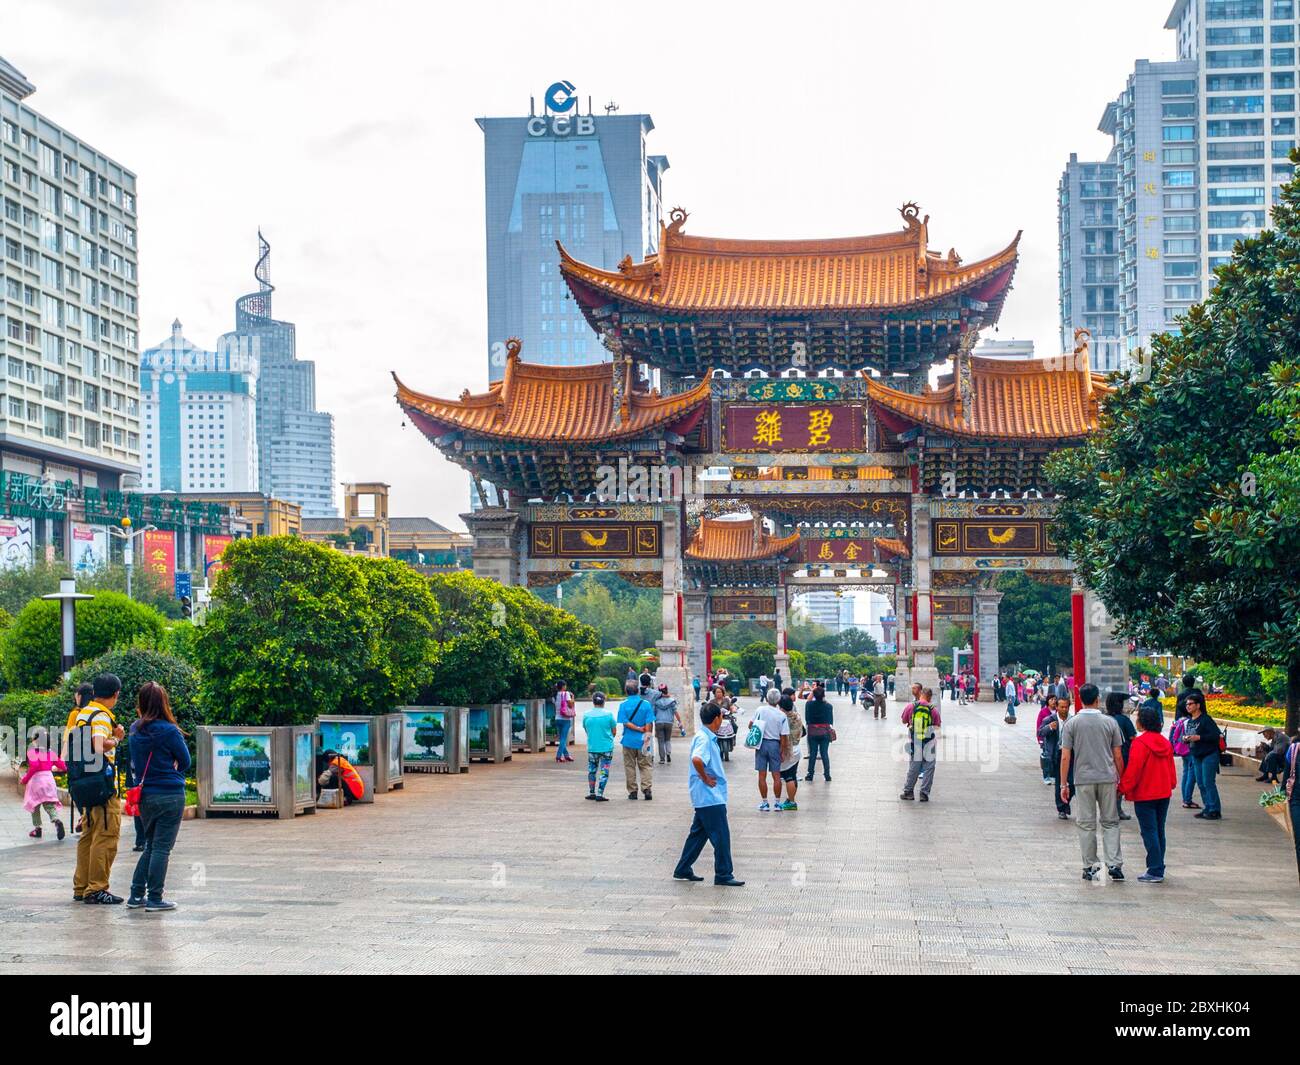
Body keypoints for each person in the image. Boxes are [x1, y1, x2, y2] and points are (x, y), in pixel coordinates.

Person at [126, 682, 190, 911]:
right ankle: (154, 898)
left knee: (151, 846)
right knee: (162, 847)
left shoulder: (134, 730)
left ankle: (135, 895)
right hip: (170, 794)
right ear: (163, 702)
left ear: (141, 703)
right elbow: (185, 761)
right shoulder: (169, 730)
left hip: (145, 795)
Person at [1059, 683, 1125, 881]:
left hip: (1083, 779)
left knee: (1086, 823)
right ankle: (1114, 863)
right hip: (1107, 777)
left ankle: (1090, 865)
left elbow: (1065, 757)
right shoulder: (1110, 722)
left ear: (1079, 699)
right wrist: (1120, 778)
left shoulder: (1072, 723)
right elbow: (1118, 755)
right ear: (1097, 699)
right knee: (1111, 822)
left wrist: (1064, 784)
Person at [672, 702, 743, 887]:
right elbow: (697, 759)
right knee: (721, 837)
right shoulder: (704, 739)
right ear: (717, 718)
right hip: (710, 796)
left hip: (705, 797)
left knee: (698, 835)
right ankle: (724, 874)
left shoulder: (705, 736)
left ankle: (683, 868)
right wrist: (705, 778)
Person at [70, 673, 125, 905]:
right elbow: (99, 744)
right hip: (102, 785)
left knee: (89, 836)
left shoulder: (83, 713)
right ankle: (97, 888)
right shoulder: (101, 717)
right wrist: (117, 738)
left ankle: (82, 886)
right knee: (106, 834)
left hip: (85, 782)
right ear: (115, 694)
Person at [1118, 703, 1177, 884]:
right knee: (1159, 830)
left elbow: (1134, 770)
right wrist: (1171, 784)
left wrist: (1122, 788)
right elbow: (1171, 769)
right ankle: (1158, 866)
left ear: (1142, 722)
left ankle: (1155, 869)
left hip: (1145, 794)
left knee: (1149, 831)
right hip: (1163, 793)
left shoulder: (1140, 743)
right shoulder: (1165, 742)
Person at [1181, 694, 1223, 820]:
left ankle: (1215, 809)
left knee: (1208, 782)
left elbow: (1216, 735)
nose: (1188, 706)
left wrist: (1199, 737)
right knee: (1200, 783)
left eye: (1190, 704)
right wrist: (1186, 739)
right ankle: (1208, 808)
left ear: (1198, 705)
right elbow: (1189, 735)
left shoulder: (1206, 719)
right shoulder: (1189, 721)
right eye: (1187, 704)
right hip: (1196, 755)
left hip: (1209, 754)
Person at [21, 726, 65, 840]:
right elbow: (62, 765)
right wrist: (61, 768)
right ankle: (56, 820)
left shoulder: (32, 752)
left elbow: (34, 767)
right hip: (49, 780)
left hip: (37, 781)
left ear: (36, 740)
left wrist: (25, 779)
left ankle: (38, 829)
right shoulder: (51, 752)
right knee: (49, 804)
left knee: (34, 805)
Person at [752, 688, 790, 812]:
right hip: (775, 744)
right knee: (776, 775)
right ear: (778, 700)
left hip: (761, 744)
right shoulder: (782, 715)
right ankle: (777, 803)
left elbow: (751, 725)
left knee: (761, 776)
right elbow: (784, 736)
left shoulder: (760, 710)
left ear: (767, 698)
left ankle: (765, 802)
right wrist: (782, 751)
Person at [900, 687, 940, 802]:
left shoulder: (911, 706)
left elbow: (903, 720)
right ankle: (924, 793)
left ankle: (908, 792)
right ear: (930, 697)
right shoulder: (933, 709)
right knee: (929, 767)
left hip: (916, 740)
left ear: (921, 694)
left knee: (914, 767)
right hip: (929, 741)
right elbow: (937, 725)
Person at [617, 680, 655, 800]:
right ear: (638, 691)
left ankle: (633, 791)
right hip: (644, 740)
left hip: (628, 741)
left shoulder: (623, 705)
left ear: (626, 691)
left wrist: (637, 728)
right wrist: (647, 737)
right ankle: (647, 789)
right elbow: (649, 722)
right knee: (646, 765)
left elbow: (625, 722)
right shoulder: (646, 704)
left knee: (630, 766)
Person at [1105, 692, 1137, 821]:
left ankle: (1109, 810)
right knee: (1119, 783)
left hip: (1106, 756)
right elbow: (1133, 738)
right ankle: (1117, 810)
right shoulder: (1124, 720)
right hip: (1122, 755)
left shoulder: (1105, 719)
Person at [1039, 697, 1073, 819]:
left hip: (1070, 754)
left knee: (1073, 781)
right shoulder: (1050, 720)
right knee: (1060, 782)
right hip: (1057, 754)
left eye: (1066, 707)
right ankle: (1062, 809)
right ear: (1057, 707)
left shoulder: (1073, 720)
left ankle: (1066, 802)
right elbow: (1040, 732)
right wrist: (1050, 728)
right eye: (1062, 707)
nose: (1064, 709)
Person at [582, 691, 616, 801]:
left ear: (593, 701)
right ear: (603, 701)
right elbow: (614, 731)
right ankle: (600, 794)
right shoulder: (609, 715)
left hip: (593, 747)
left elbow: (587, 730)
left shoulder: (586, 715)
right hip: (607, 747)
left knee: (592, 770)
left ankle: (591, 792)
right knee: (604, 771)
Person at [774, 691, 804, 811]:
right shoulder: (797, 716)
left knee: (788, 777)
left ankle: (792, 802)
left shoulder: (782, 718)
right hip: (797, 748)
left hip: (787, 750)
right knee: (792, 775)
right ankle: (791, 799)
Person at [804, 683, 834, 782]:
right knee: (824, 753)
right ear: (824, 695)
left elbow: (807, 719)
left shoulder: (809, 705)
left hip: (812, 732)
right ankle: (827, 774)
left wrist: (812, 691)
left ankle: (810, 774)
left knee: (812, 753)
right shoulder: (828, 706)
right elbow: (830, 721)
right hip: (824, 732)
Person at [652, 684, 682, 764]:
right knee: (667, 740)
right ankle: (668, 753)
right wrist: (680, 722)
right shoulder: (672, 701)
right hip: (669, 722)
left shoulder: (656, 702)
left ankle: (662, 759)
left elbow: (653, 713)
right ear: (667, 690)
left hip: (659, 722)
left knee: (661, 741)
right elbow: (675, 712)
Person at [553, 681, 576, 763]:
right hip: (565, 719)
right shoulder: (566, 694)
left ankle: (566, 756)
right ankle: (558, 756)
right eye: (565, 685)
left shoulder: (554, 695)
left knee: (561, 739)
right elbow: (570, 705)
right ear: (563, 686)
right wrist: (573, 697)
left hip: (557, 718)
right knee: (563, 739)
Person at [1035, 697, 1056, 784]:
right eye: (1051, 700)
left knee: (1054, 758)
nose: (1054, 701)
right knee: (1046, 758)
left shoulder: (1059, 712)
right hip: (1046, 739)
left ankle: (1053, 775)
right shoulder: (1043, 712)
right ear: (1047, 702)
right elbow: (1039, 726)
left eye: (1055, 699)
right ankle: (1046, 776)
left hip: (1056, 739)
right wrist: (1040, 740)